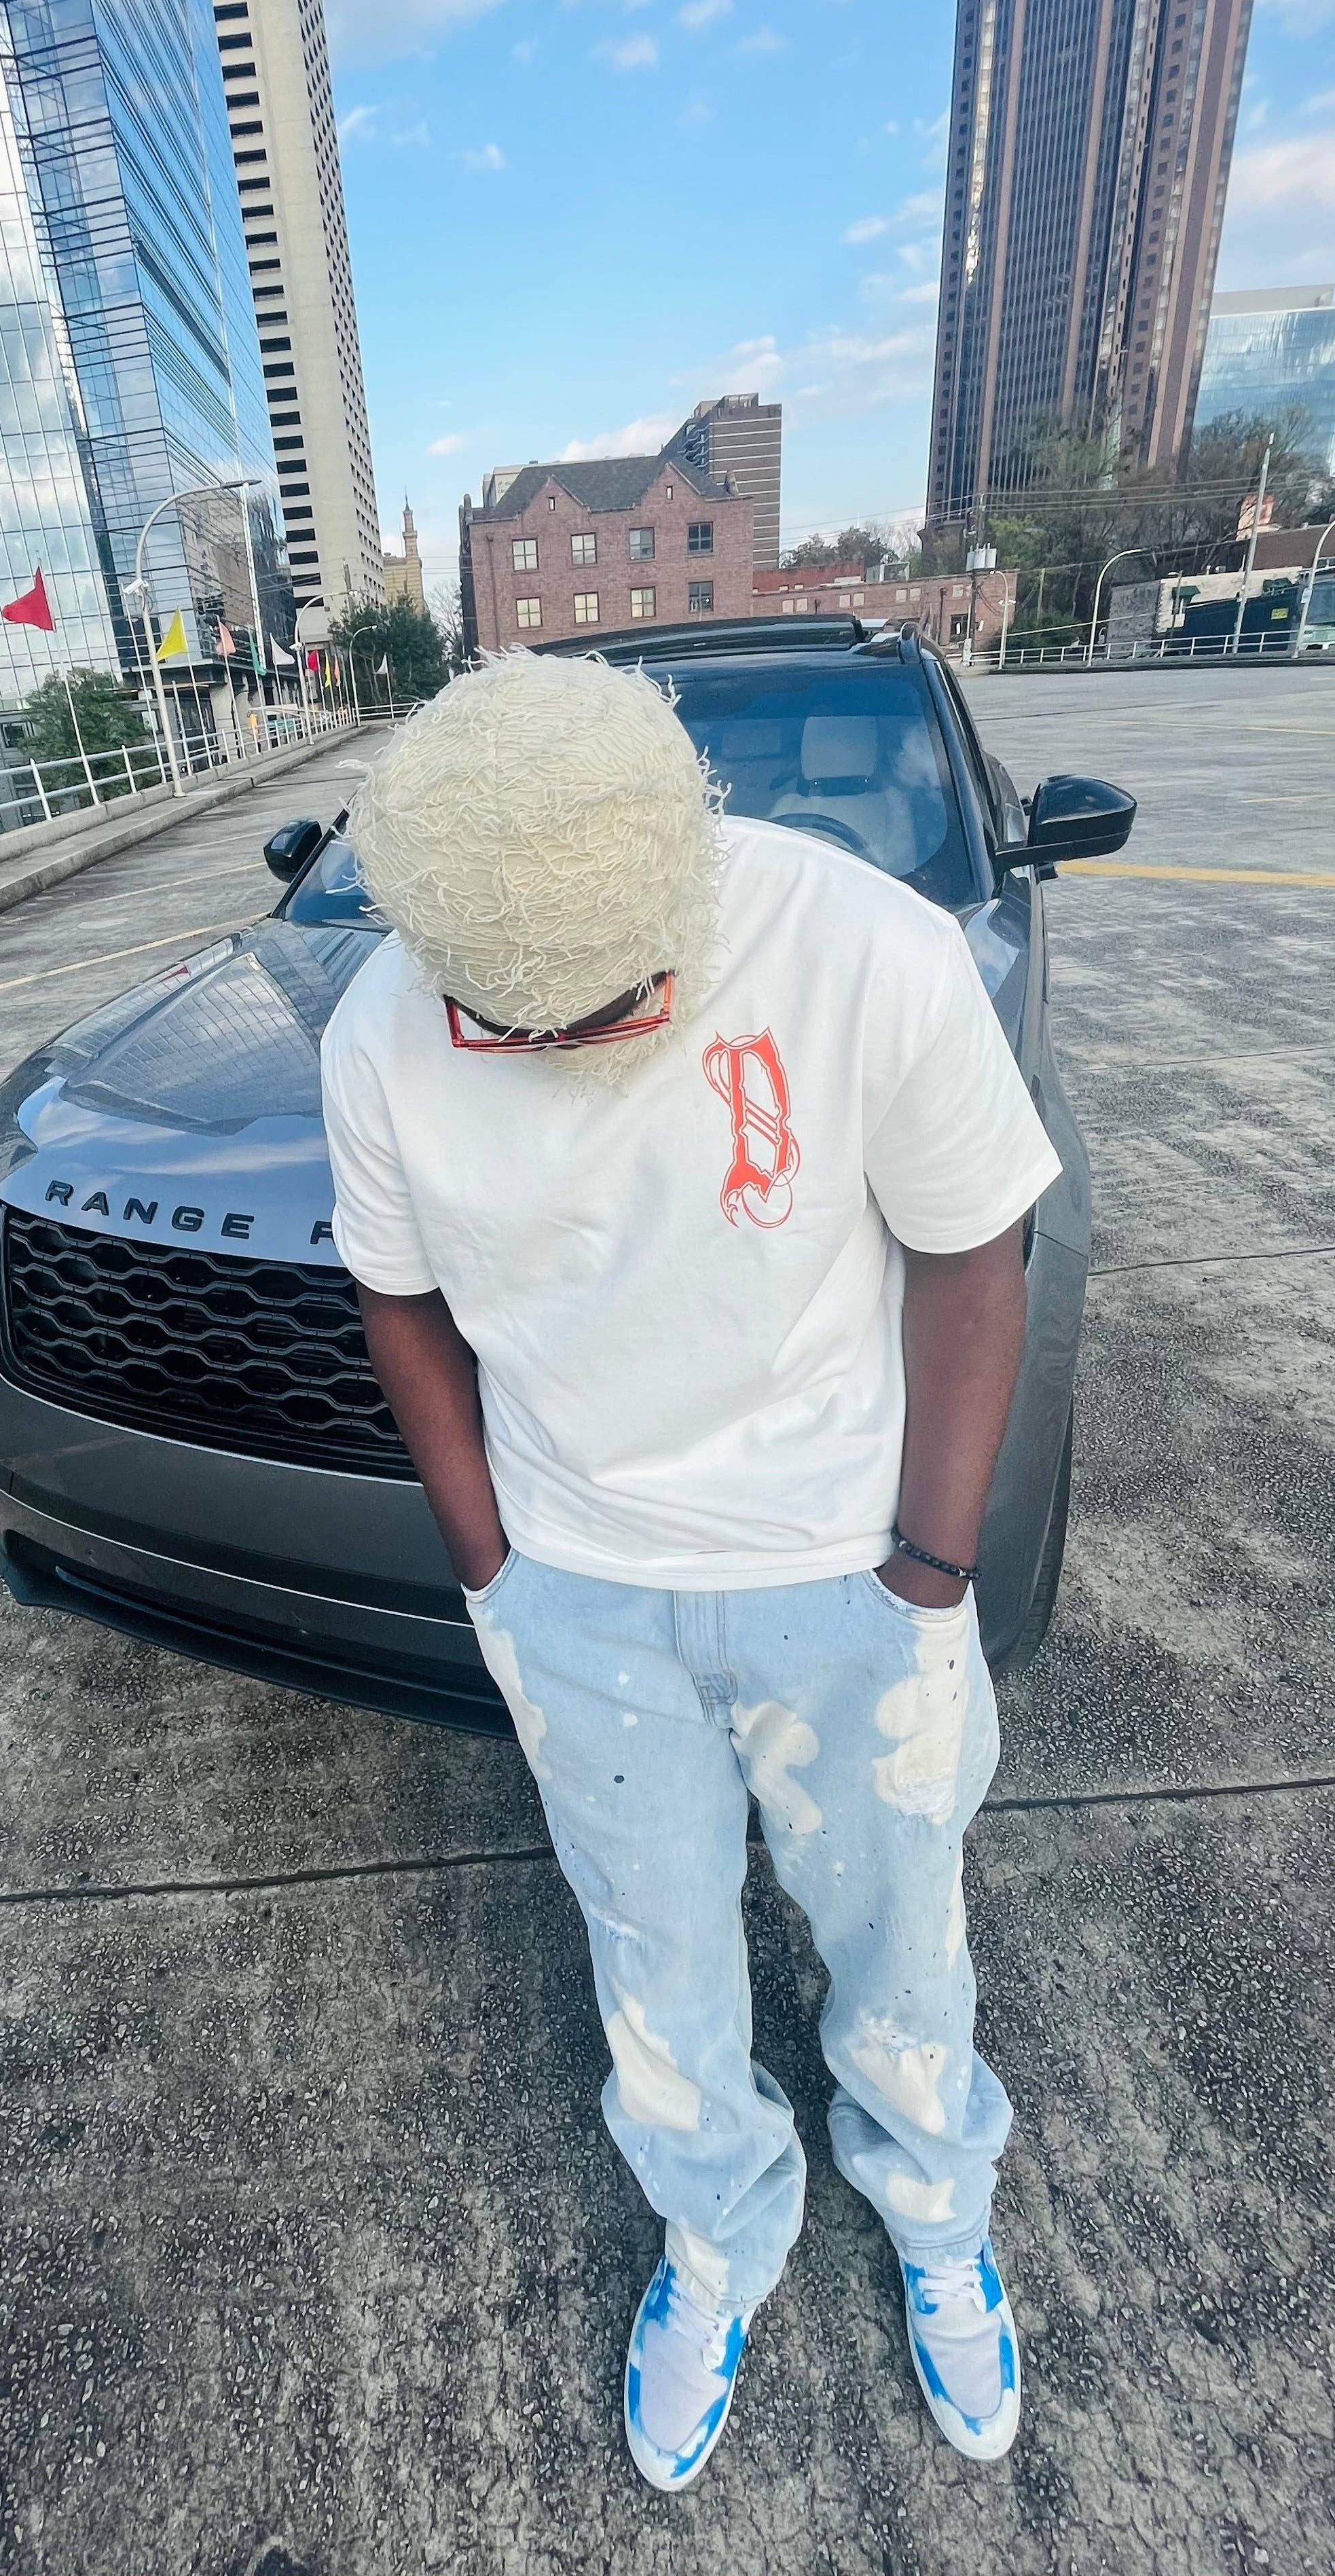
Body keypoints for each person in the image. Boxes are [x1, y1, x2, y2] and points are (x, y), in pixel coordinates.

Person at [317, 651, 1062, 2491]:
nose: (562, 1047)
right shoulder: (384, 1024)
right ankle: (718, 2230)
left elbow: (976, 1256)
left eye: (612, 1006)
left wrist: (928, 1572)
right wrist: (496, 1573)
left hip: (844, 1570)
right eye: (511, 1024)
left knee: (903, 1935)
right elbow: (399, 1303)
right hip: (580, 1594)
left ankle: (937, 2209)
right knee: (650, 1956)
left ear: (688, 899)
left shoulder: (870, 951)